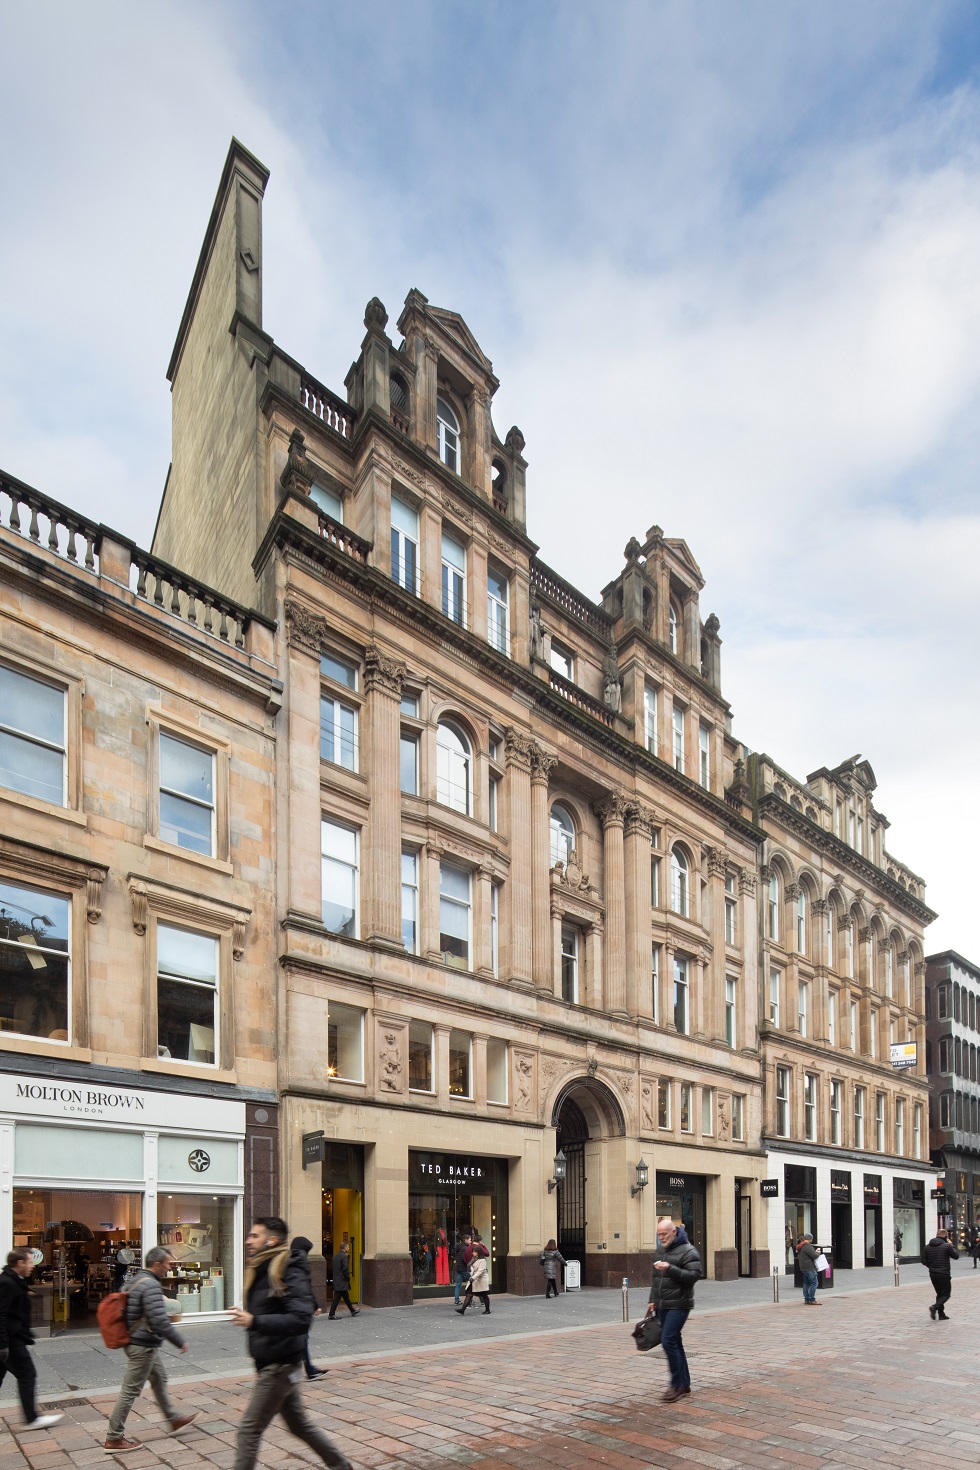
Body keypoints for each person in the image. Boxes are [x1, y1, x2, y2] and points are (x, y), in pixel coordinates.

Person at [230, 1216, 351, 1470]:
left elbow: (300, 1319)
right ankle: (341, 1466)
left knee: (248, 1430)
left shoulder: (286, 1268)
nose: (248, 1240)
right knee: (299, 1426)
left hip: (279, 1365)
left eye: (254, 1236)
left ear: (271, 1240)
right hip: (276, 1361)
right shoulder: (262, 1268)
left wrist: (254, 1321)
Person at [104, 1246, 197, 1452]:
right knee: (130, 1390)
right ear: (157, 1264)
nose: (169, 1268)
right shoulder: (151, 1285)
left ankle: (173, 1419)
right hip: (142, 1346)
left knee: (159, 1378)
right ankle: (114, 1437)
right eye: (167, 1264)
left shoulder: (135, 1280)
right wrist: (180, 1342)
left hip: (136, 1341)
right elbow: (159, 1321)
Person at [0, 1248, 63, 1432]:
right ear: (20, 1263)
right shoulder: (7, 1283)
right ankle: (32, 1418)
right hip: (11, 1340)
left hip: (11, 1338)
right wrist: (3, 1344)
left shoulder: (14, 1280)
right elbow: (1, 1314)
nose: (32, 1266)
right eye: (29, 1262)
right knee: (27, 1374)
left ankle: (31, 1418)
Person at [646, 1217, 701, 1403]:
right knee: (675, 1341)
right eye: (659, 1234)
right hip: (662, 1303)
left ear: (674, 1232)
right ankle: (684, 1384)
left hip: (680, 1303)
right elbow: (656, 1278)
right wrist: (652, 1299)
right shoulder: (660, 1250)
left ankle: (676, 1384)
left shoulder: (688, 1251)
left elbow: (693, 1276)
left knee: (668, 1340)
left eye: (664, 1234)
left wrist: (670, 1268)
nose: (661, 1237)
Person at [290, 1238, 328, 1380]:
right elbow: (306, 1288)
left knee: (300, 1339)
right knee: (300, 1340)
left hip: (292, 1308)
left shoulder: (287, 1262)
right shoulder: (301, 1264)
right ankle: (304, 1371)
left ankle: (308, 1370)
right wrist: (314, 1305)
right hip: (299, 1309)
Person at [922, 1226, 958, 1320]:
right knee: (946, 1294)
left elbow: (923, 1261)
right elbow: (956, 1256)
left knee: (939, 1293)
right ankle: (934, 1307)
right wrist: (951, 1245)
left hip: (933, 1273)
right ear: (945, 1236)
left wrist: (931, 1266)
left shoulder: (927, 1247)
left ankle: (941, 1314)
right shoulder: (946, 1246)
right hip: (944, 1273)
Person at [456, 1241, 491, 1315]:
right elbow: (470, 1266)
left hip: (480, 1280)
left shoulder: (482, 1260)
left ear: (478, 1252)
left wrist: (473, 1277)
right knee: (469, 1294)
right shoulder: (474, 1259)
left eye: (474, 1252)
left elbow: (480, 1271)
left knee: (484, 1295)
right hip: (474, 1280)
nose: (473, 1253)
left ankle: (487, 1309)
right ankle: (462, 1309)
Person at [328, 1241, 358, 1318]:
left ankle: (352, 1310)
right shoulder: (344, 1256)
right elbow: (345, 1269)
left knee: (346, 1296)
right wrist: (348, 1278)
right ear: (345, 1248)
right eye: (348, 1247)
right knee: (337, 1297)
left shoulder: (335, 1256)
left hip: (337, 1279)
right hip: (342, 1280)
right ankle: (331, 1314)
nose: (349, 1248)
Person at [797, 1233, 821, 1307]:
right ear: (810, 1239)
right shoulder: (807, 1246)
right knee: (814, 1283)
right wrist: (818, 1252)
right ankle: (811, 1299)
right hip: (809, 1267)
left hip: (803, 1267)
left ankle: (807, 1299)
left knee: (806, 1283)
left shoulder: (801, 1245)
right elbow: (814, 1255)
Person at [453, 1233, 473, 1306]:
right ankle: (470, 1299)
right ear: (466, 1240)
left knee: (458, 1285)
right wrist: (468, 1263)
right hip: (463, 1268)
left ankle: (456, 1300)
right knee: (472, 1281)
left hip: (458, 1268)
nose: (470, 1241)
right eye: (469, 1240)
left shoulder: (459, 1247)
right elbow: (463, 1258)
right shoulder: (465, 1248)